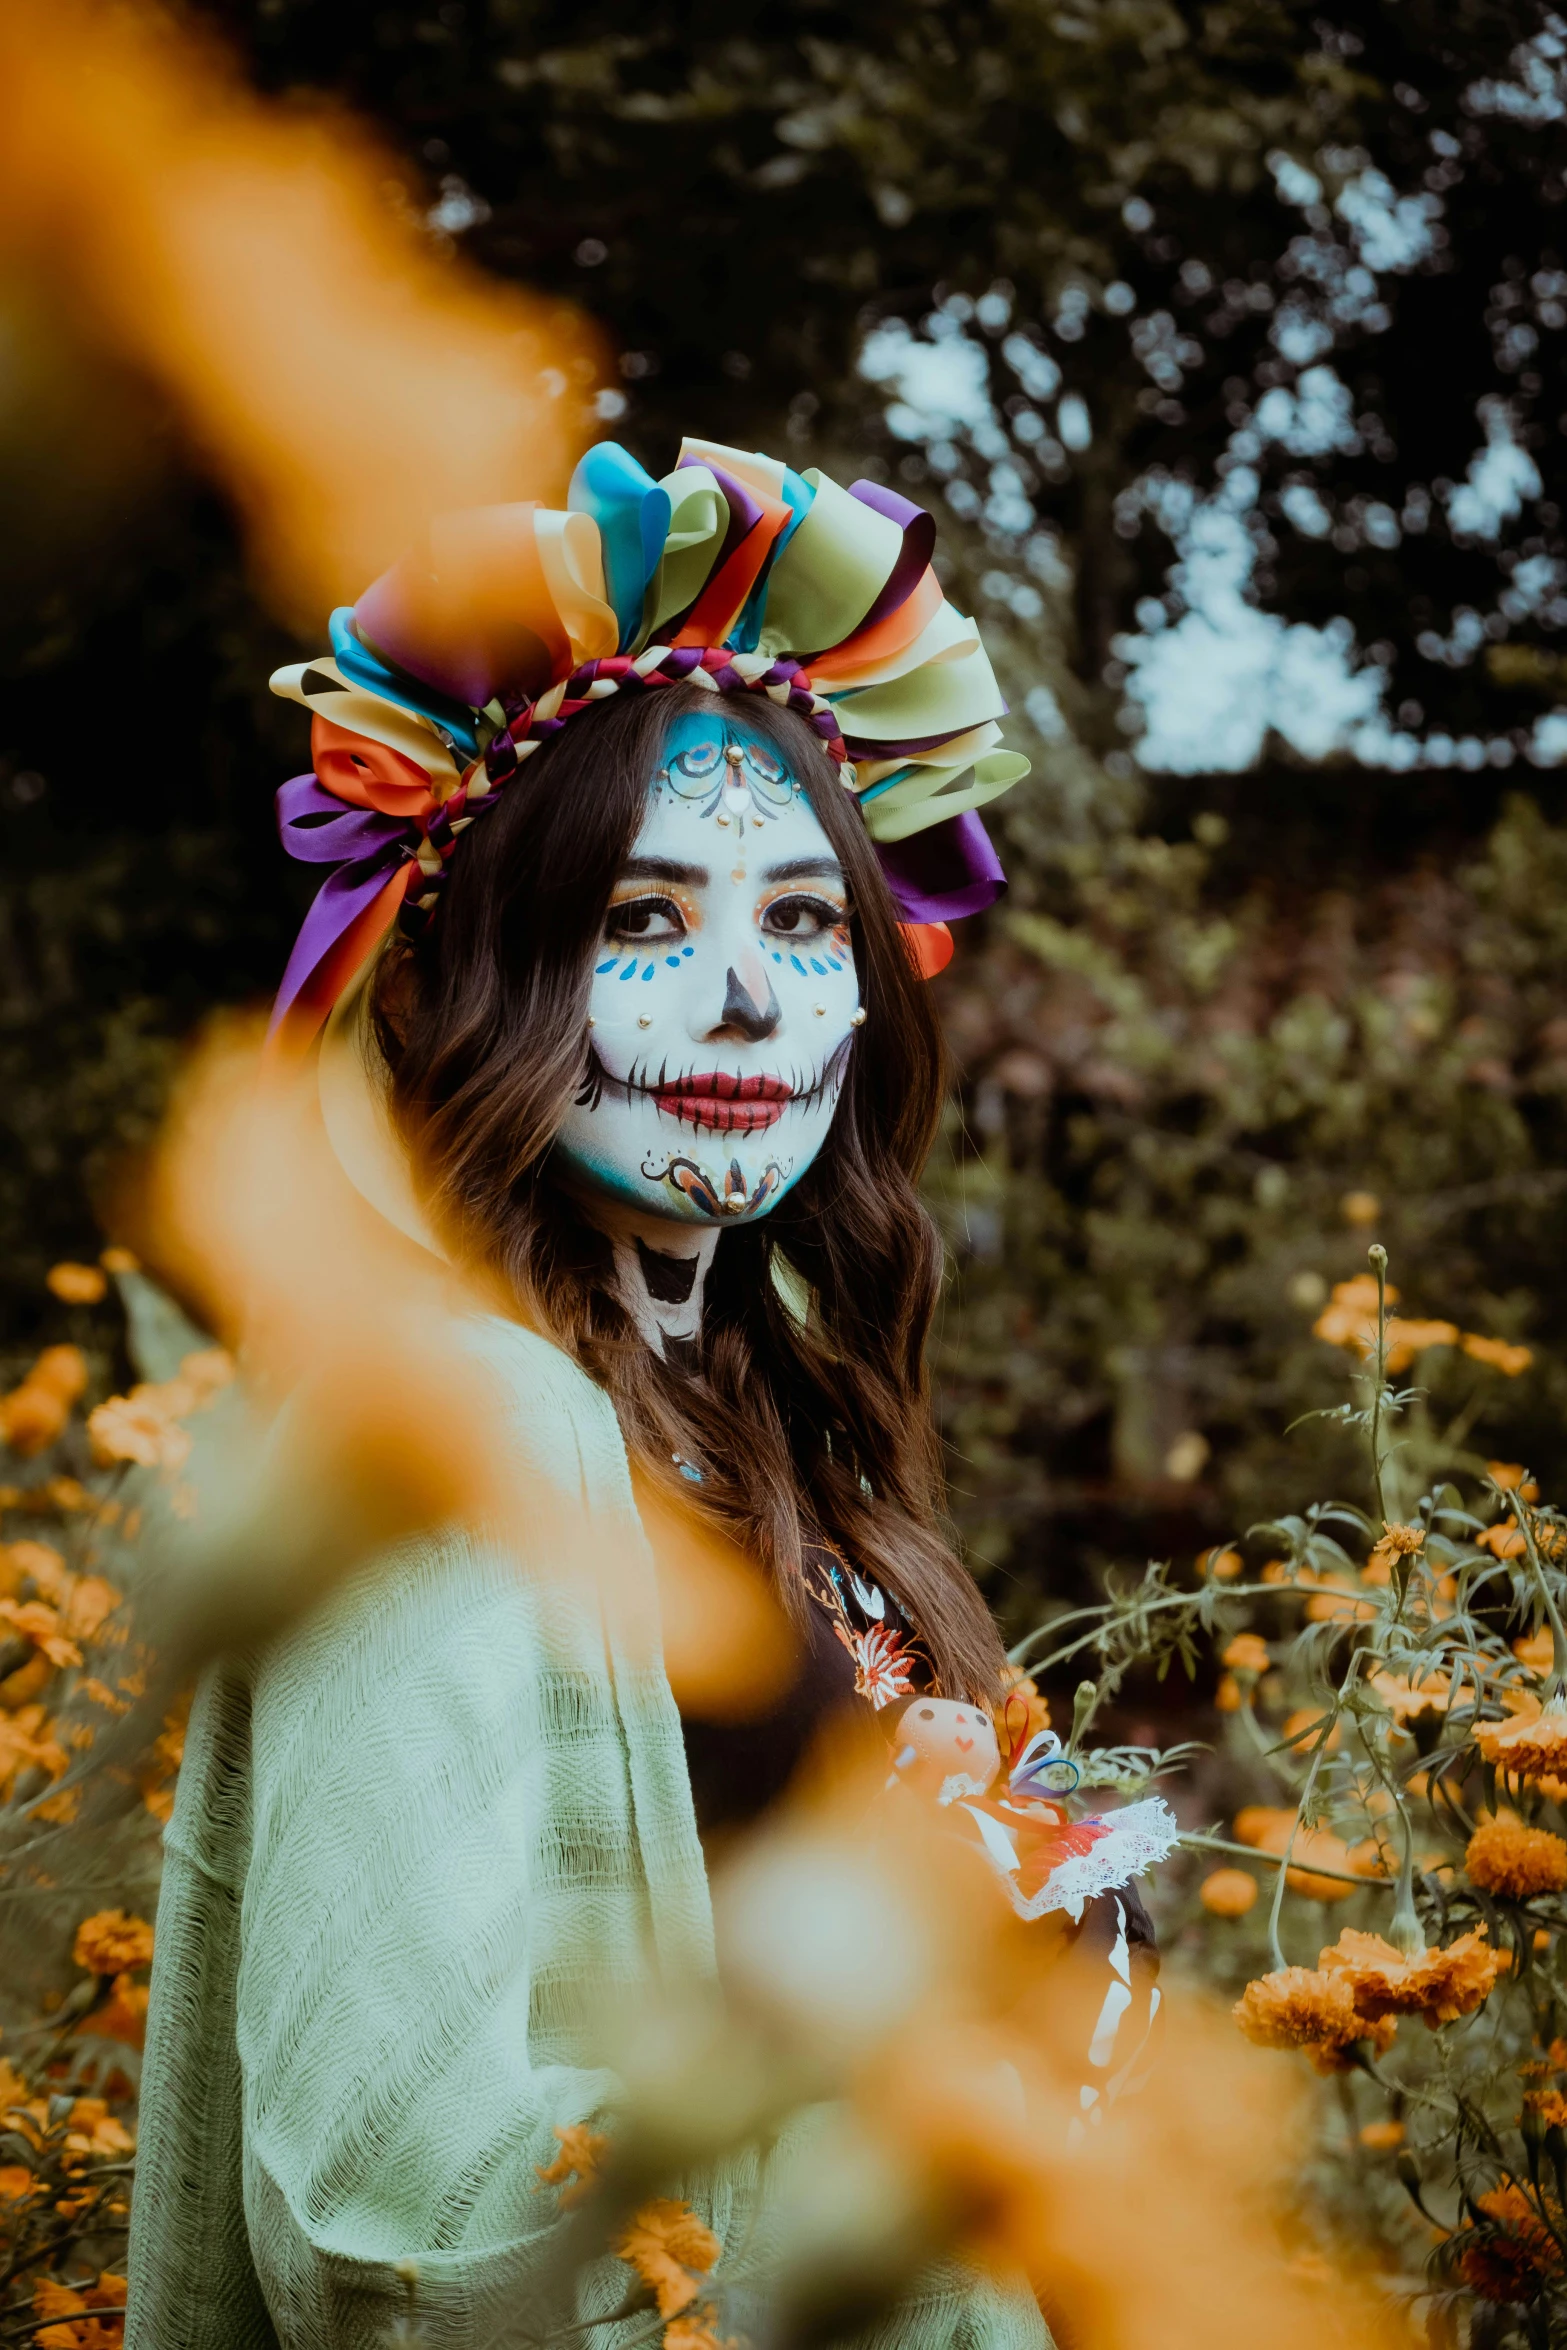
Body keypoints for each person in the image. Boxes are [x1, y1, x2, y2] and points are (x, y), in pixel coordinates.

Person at [126, 436, 1156, 2350]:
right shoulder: (452, 1436)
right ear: (473, 977)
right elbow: (392, 2211)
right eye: (642, 922)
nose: (749, 1001)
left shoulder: (786, 1438)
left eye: (802, 923)